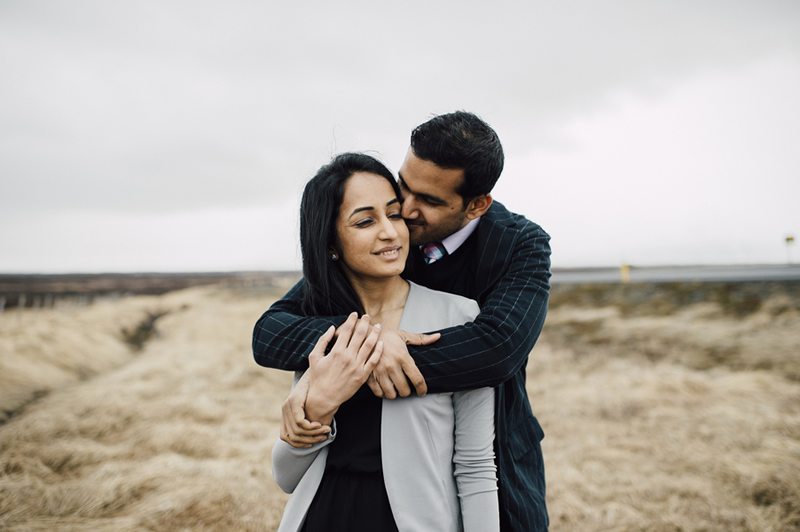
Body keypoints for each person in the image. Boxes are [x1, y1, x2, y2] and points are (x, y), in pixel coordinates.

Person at [254, 111, 551, 531]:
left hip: (497, 452)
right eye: (403, 188)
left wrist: (370, 352)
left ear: (476, 206)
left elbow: (497, 349)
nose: (405, 216)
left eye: (428, 201)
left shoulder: (520, 245)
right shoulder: (343, 302)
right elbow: (270, 332)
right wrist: (365, 345)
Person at [271, 153, 499, 532]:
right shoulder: (321, 325)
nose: (391, 232)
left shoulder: (458, 316)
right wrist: (320, 408)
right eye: (365, 221)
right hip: (318, 517)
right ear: (330, 241)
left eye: (394, 215)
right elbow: (286, 475)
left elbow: (475, 465)